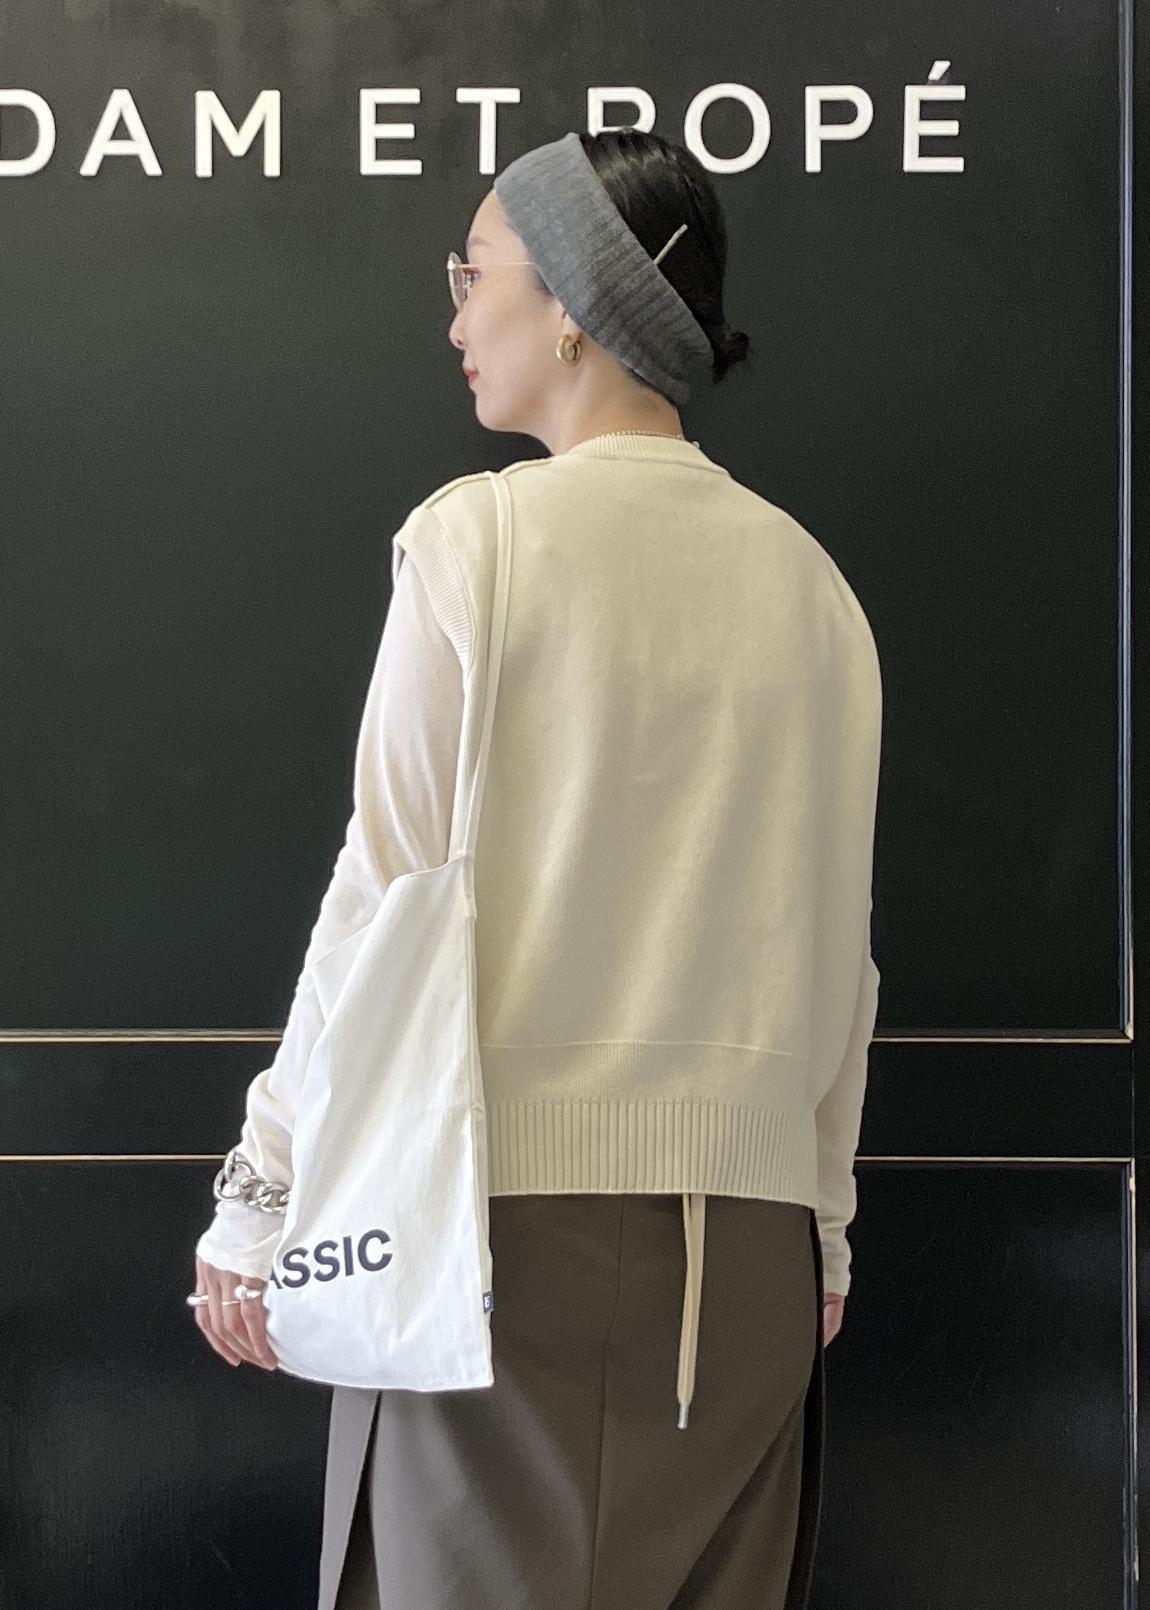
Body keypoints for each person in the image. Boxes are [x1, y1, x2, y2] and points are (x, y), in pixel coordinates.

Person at [188, 127, 882, 1610]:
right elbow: (842, 953)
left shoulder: (477, 543)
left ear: (572, 300)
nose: (454, 313)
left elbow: (382, 894)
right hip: (749, 1263)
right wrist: (819, 1224)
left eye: (475, 271)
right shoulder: (814, 584)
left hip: (488, 1240)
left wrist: (261, 1194)